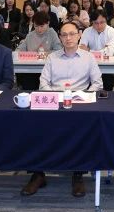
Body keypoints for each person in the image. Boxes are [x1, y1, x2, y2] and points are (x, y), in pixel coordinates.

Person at [21, 21, 103, 197]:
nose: (68, 38)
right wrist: (56, 97)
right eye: (64, 35)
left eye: (72, 34)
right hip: (54, 102)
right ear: (59, 37)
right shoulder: (52, 57)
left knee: (83, 127)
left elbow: (97, 83)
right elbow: (43, 83)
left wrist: (83, 96)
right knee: (34, 124)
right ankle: (38, 174)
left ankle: (78, 173)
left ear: (79, 35)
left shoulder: (88, 58)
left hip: (79, 103)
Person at [80, 11, 114, 90]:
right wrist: (103, 51)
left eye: (102, 22)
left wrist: (89, 51)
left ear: (106, 20)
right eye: (96, 23)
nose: (99, 26)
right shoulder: (87, 31)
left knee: (108, 82)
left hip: (108, 66)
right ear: (92, 22)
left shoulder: (112, 32)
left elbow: (108, 53)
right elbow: (81, 51)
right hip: (89, 66)